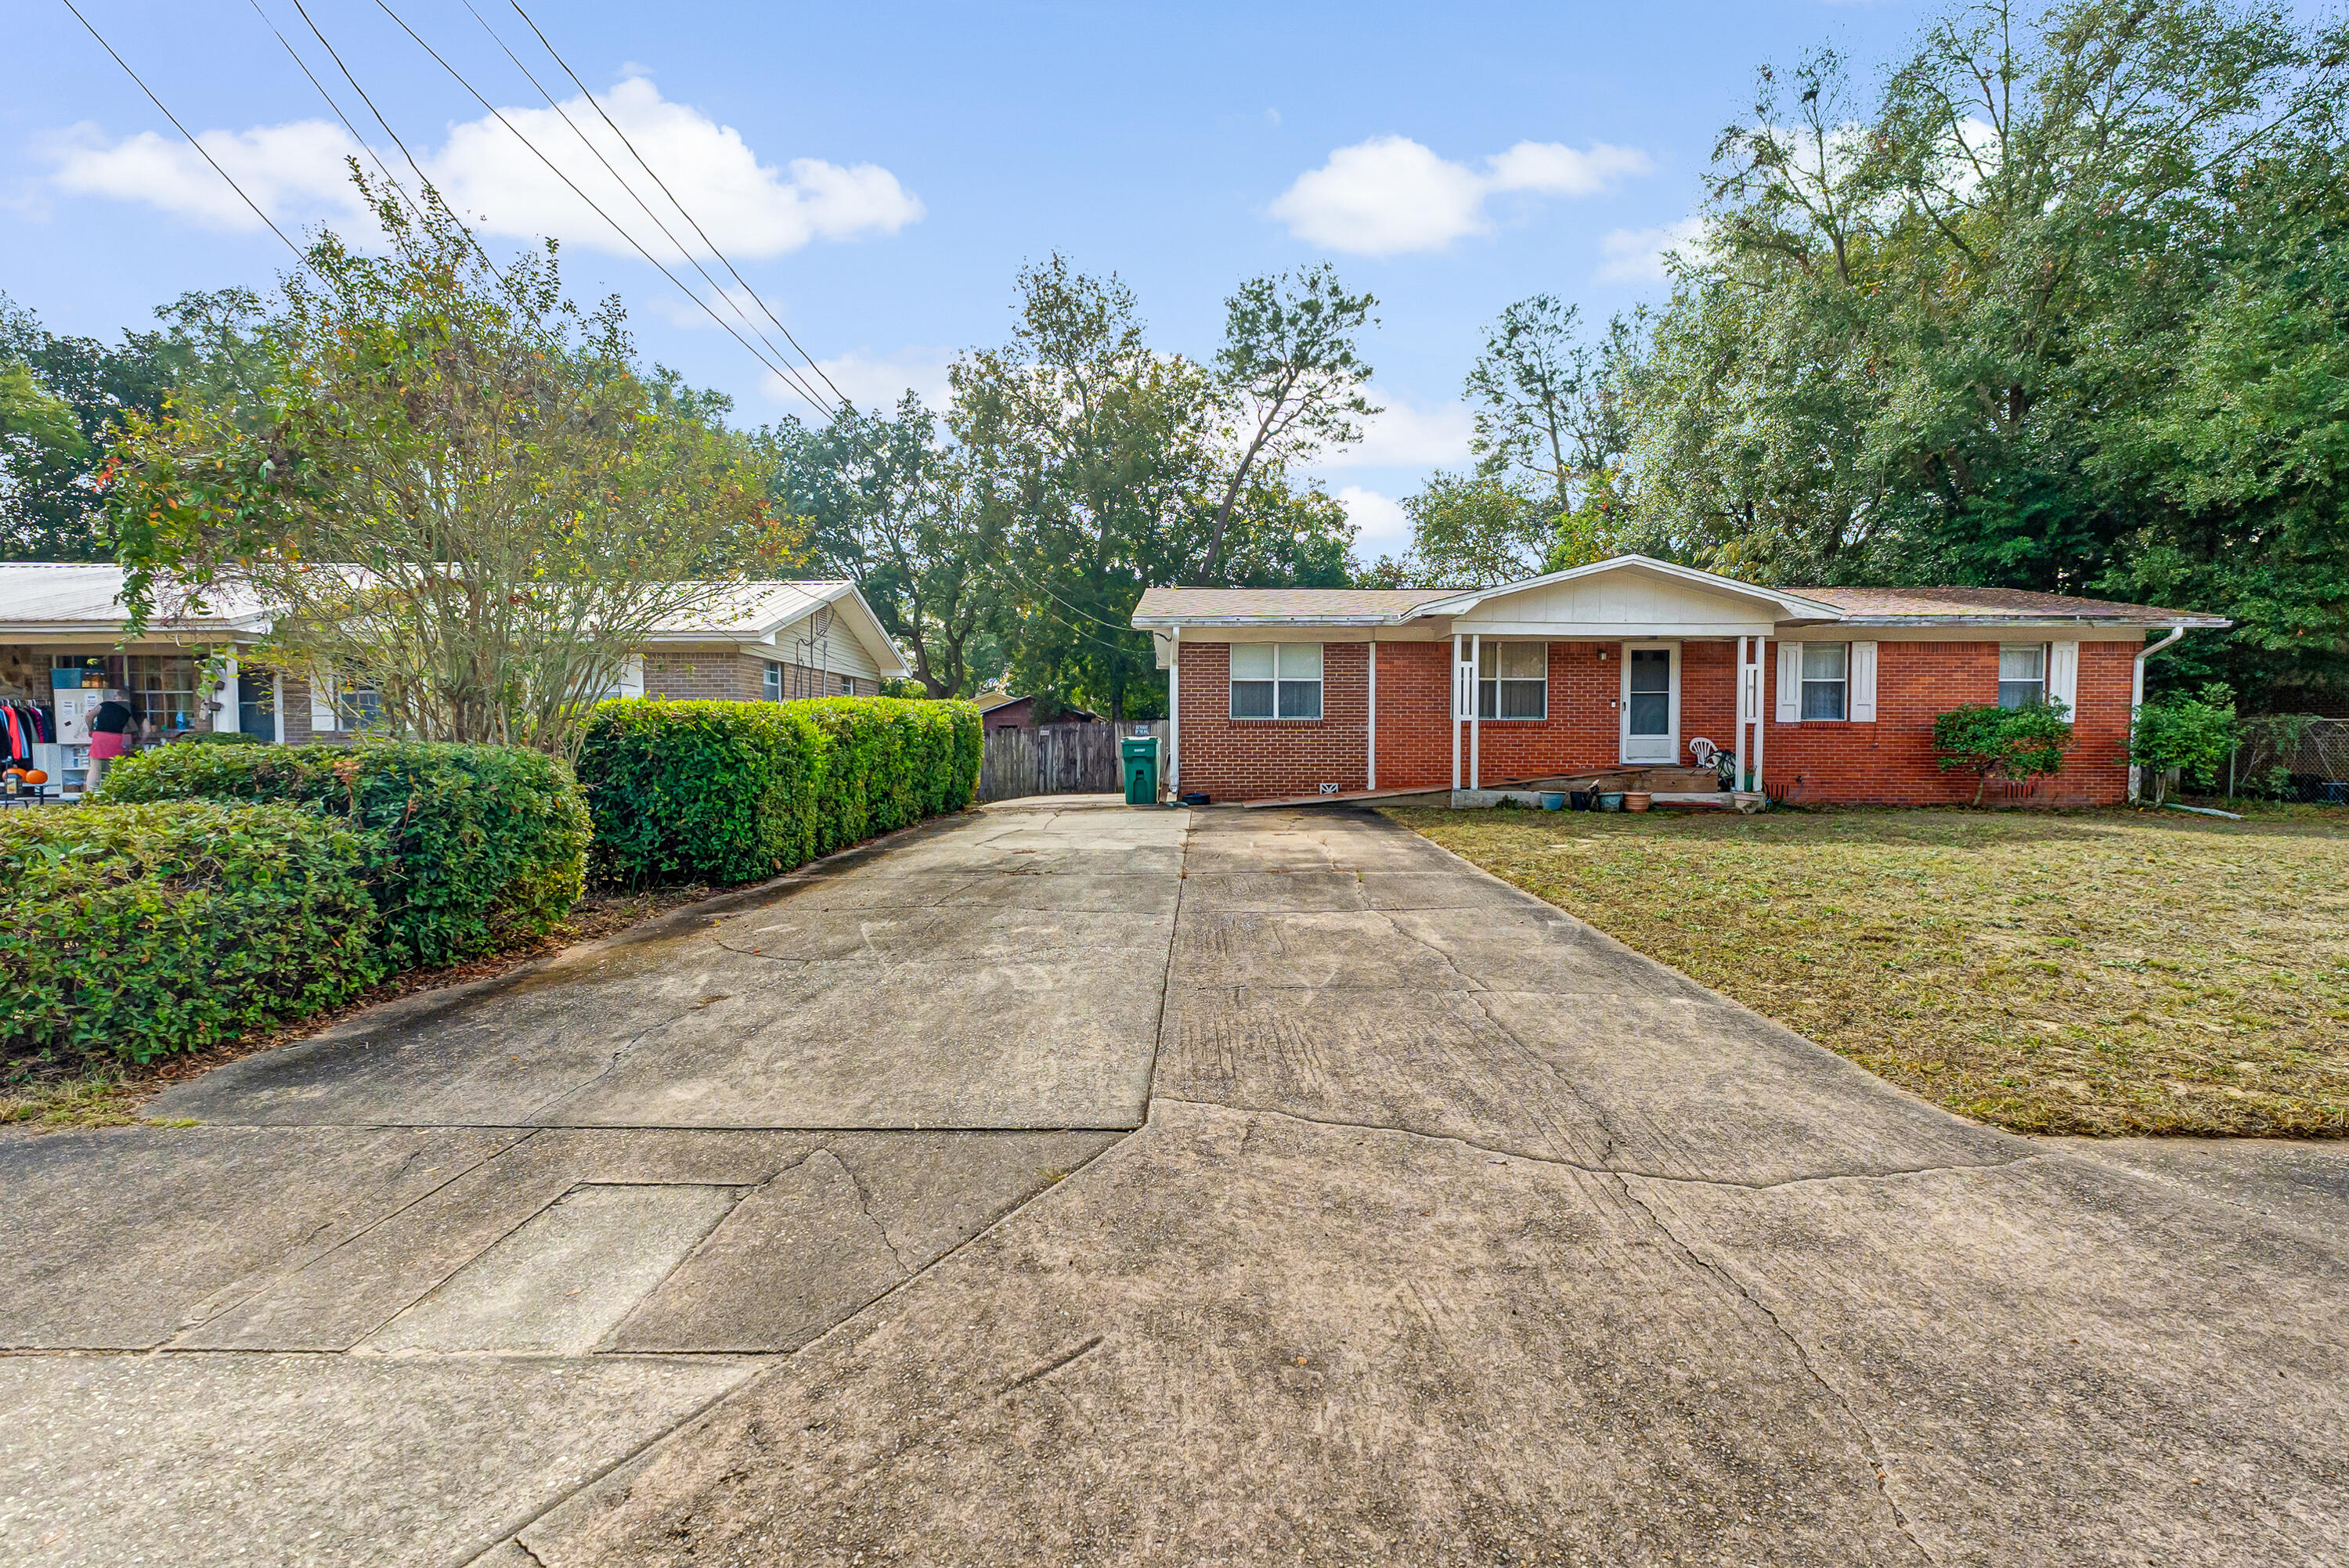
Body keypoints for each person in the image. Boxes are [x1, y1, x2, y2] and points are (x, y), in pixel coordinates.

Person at [86, 694, 141, 788]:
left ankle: (91, 792)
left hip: (99, 737)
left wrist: (91, 729)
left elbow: (88, 716)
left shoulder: (105, 705)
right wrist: (122, 731)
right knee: (112, 769)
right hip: (116, 739)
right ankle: (110, 791)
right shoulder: (125, 711)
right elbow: (134, 728)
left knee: (95, 768)